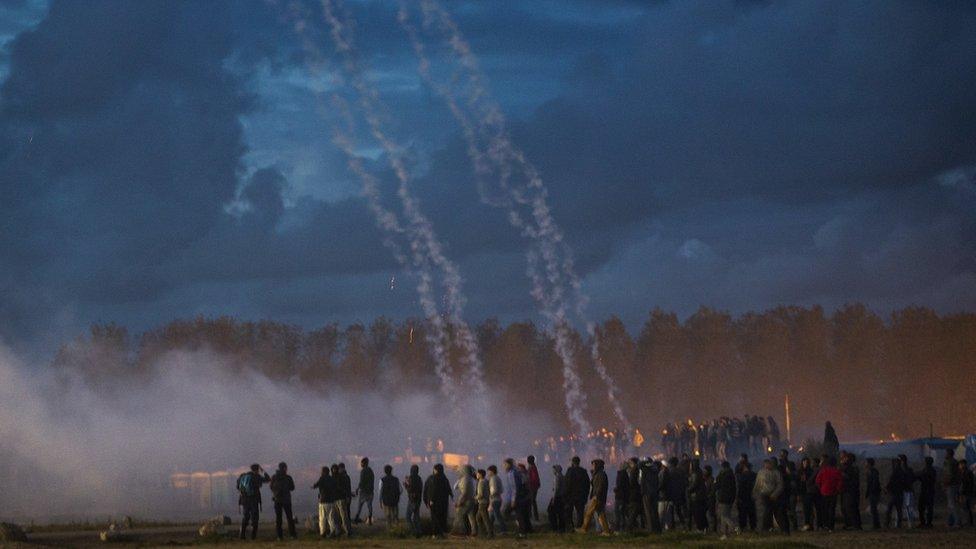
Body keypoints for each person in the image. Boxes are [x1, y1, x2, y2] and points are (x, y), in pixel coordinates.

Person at [577, 459, 611, 535]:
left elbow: (600, 487)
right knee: (600, 514)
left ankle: (584, 529)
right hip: (597, 497)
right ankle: (606, 531)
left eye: (593, 465)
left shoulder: (601, 475)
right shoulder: (598, 474)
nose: (592, 466)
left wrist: (596, 496)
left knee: (588, 513)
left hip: (597, 498)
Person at [237, 463, 271, 540]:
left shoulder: (242, 476)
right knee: (255, 518)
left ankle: (242, 535)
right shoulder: (257, 476)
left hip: (244, 500)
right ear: (257, 470)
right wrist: (263, 471)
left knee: (245, 517)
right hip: (254, 500)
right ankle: (253, 537)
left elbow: (238, 487)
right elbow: (268, 479)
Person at [753, 459, 786, 534]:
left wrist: (775, 494)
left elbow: (780, 485)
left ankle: (780, 528)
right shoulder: (761, 472)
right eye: (765, 464)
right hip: (763, 494)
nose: (767, 465)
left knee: (775, 512)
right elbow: (758, 483)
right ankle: (764, 528)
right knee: (764, 511)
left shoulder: (776, 473)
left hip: (773, 495)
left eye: (768, 464)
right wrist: (755, 492)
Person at [423, 463, 452, 538]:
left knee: (434, 518)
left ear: (435, 470)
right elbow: (449, 490)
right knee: (442, 517)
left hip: (434, 502)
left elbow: (430, 490)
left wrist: (428, 500)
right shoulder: (444, 478)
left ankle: (435, 534)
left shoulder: (432, 478)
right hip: (444, 502)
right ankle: (442, 533)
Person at [270, 462, 297, 541]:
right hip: (286, 500)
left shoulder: (274, 477)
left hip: (277, 500)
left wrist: (275, 493)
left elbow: (271, 487)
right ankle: (292, 535)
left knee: (278, 519)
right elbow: (292, 488)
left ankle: (279, 536)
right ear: (285, 468)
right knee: (289, 518)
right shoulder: (288, 477)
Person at [815, 454, 842, 531]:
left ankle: (825, 525)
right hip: (833, 493)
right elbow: (840, 482)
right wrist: (837, 490)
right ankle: (831, 526)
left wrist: (821, 489)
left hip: (824, 492)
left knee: (825, 510)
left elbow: (817, 481)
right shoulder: (837, 471)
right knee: (832, 510)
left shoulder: (823, 471)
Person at [313, 466, 340, 538]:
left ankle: (323, 532)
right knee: (331, 518)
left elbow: (316, 485)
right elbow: (336, 488)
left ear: (324, 472)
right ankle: (333, 531)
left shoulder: (322, 478)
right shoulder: (332, 479)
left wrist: (313, 486)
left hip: (323, 501)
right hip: (331, 501)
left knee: (322, 518)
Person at [565, 456, 590, 528]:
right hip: (581, 495)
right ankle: (580, 526)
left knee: (569, 512)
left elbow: (567, 483)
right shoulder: (583, 471)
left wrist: (566, 494)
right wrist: (586, 495)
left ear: (572, 462)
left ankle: (570, 526)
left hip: (571, 496)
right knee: (580, 512)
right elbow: (587, 484)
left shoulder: (570, 471)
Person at [453, 465, 477, 536]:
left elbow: (464, 492)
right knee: (471, 517)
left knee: (459, 515)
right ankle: (473, 531)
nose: (458, 472)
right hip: (472, 500)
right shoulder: (470, 479)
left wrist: (459, 502)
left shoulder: (464, 480)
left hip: (465, 501)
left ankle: (460, 531)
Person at [715, 461, 736, 539]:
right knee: (725, 516)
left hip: (724, 498)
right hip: (730, 498)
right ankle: (725, 534)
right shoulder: (731, 475)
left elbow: (718, 484)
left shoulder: (723, 475)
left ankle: (734, 528)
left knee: (724, 515)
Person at [639, 458, 661, 533]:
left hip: (647, 493)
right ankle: (657, 529)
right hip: (654, 493)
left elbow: (642, 483)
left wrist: (642, 492)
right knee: (655, 512)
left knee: (648, 512)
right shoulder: (655, 470)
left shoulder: (645, 470)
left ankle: (651, 529)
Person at [735, 457, 757, 532]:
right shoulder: (753, 475)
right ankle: (753, 527)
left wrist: (738, 497)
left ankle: (743, 527)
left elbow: (740, 487)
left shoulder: (741, 476)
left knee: (743, 514)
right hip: (750, 496)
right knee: (751, 513)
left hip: (744, 496)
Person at [840, 452, 861, 530]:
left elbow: (852, 480)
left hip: (850, 491)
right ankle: (849, 523)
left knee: (851, 507)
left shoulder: (852, 468)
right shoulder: (848, 468)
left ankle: (856, 525)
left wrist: (844, 475)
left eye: (845, 458)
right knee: (846, 508)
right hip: (847, 490)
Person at [687, 459, 708, 532]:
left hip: (696, 496)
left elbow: (694, 484)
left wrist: (688, 490)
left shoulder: (695, 473)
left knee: (697, 513)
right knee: (701, 513)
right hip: (701, 496)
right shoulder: (700, 472)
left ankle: (700, 528)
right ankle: (704, 527)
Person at [942, 449, 961, 527]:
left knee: (952, 504)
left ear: (949, 454)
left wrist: (945, 484)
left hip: (951, 485)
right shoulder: (954, 462)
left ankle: (957, 522)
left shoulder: (949, 462)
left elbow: (949, 475)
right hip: (954, 485)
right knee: (951, 504)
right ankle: (950, 522)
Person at [403, 464, 423, 537]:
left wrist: (406, 484)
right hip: (418, 500)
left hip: (412, 500)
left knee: (408, 517)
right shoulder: (419, 478)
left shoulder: (410, 478)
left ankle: (413, 532)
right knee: (416, 517)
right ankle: (419, 532)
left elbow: (410, 490)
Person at [884, 457, 905, 529]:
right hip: (900, 493)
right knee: (899, 510)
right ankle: (899, 524)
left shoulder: (895, 472)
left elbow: (891, 481)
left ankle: (887, 523)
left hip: (894, 493)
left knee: (889, 509)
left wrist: (886, 489)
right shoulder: (902, 472)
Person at [354, 457, 375, 525]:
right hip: (370, 491)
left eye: (361, 463)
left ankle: (356, 519)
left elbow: (361, 481)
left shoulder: (363, 471)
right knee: (369, 506)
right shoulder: (371, 471)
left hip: (364, 492)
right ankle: (369, 520)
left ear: (364, 463)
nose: (361, 464)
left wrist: (357, 489)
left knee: (359, 506)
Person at [380, 465, 401, 529]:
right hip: (395, 500)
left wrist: (380, 501)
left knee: (388, 516)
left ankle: (389, 530)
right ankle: (397, 530)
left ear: (385, 471)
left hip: (386, 501)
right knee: (395, 516)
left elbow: (380, 492)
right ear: (391, 470)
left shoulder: (382, 480)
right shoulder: (396, 479)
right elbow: (400, 489)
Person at [797, 457, 816, 531]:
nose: (805, 464)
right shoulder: (800, 471)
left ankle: (809, 524)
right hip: (803, 492)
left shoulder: (810, 471)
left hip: (809, 492)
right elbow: (798, 483)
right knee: (805, 509)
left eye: (806, 462)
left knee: (809, 509)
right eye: (804, 462)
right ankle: (807, 524)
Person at [515, 463, 534, 536]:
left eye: (519, 468)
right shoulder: (524, 475)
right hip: (526, 497)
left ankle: (523, 530)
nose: (518, 470)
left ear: (522, 469)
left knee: (522, 515)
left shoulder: (524, 476)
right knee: (525, 515)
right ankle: (528, 529)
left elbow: (525, 487)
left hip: (525, 498)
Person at [917, 456, 936, 528]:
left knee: (924, 508)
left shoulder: (929, 470)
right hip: (927, 491)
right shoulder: (929, 470)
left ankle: (926, 523)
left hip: (927, 491)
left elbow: (925, 478)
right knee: (925, 508)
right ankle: (926, 522)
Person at [487, 465, 507, 534]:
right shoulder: (497, 478)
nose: (488, 473)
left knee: (497, 516)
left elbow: (494, 490)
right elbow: (501, 490)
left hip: (494, 500)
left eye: (489, 471)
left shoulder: (493, 479)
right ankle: (490, 530)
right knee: (491, 516)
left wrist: (490, 496)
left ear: (492, 471)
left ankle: (503, 530)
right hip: (497, 499)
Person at [475, 469, 493, 537]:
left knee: (485, 518)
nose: (476, 475)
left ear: (480, 474)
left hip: (482, 502)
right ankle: (483, 532)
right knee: (478, 517)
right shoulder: (486, 481)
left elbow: (480, 494)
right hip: (486, 501)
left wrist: (475, 498)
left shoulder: (481, 482)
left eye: (477, 474)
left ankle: (489, 533)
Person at [336, 463, 353, 536]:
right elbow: (348, 488)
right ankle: (348, 528)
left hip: (343, 498)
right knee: (347, 513)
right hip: (347, 497)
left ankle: (346, 530)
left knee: (343, 514)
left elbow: (343, 488)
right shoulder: (347, 477)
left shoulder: (341, 477)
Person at [613, 461, 630, 532]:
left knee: (618, 512)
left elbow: (619, 486)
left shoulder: (621, 474)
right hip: (624, 497)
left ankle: (619, 528)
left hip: (620, 497)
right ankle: (622, 528)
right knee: (622, 513)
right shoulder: (626, 474)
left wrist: (616, 490)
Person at [865, 458, 882, 529]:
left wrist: (870, 491)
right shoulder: (871, 472)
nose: (865, 464)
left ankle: (876, 524)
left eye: (866, 463)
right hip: (874, 492)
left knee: (873, 509)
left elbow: (873, 483)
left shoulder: (873, 472)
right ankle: (876, 524)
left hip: (874, 493)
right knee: (873, 509)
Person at [959, 460, 974, 527]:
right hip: (969, 492)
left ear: (963, 464)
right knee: (968, 508)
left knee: (965, 508)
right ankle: (969, 522)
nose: (959, 466)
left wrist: (961, 492)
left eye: (960, 465)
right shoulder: (968, 472)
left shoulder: (965, 473)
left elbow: (964, 483)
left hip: (966, 492)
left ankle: (967, 522)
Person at [527, 455, 541, 522]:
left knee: (532, 501)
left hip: (532, 486)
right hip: (534, 486)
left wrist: (529, 483)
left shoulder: (531, 467)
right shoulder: (533, 467)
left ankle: (534, 517)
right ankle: (532, 516)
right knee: (531, 501)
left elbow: (533, 478)